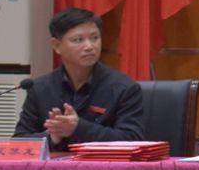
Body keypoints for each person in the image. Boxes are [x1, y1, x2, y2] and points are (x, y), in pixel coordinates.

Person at [15, 8, 145, 150]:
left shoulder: (124, 88)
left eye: (95, 38)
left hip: (101, 164)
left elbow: (132, 140)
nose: (89, 46)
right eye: (78, 40)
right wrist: (51, 137)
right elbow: (18, 142)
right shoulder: (39, 88)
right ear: (57, 46)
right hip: (54, 164)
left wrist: (79, 128)